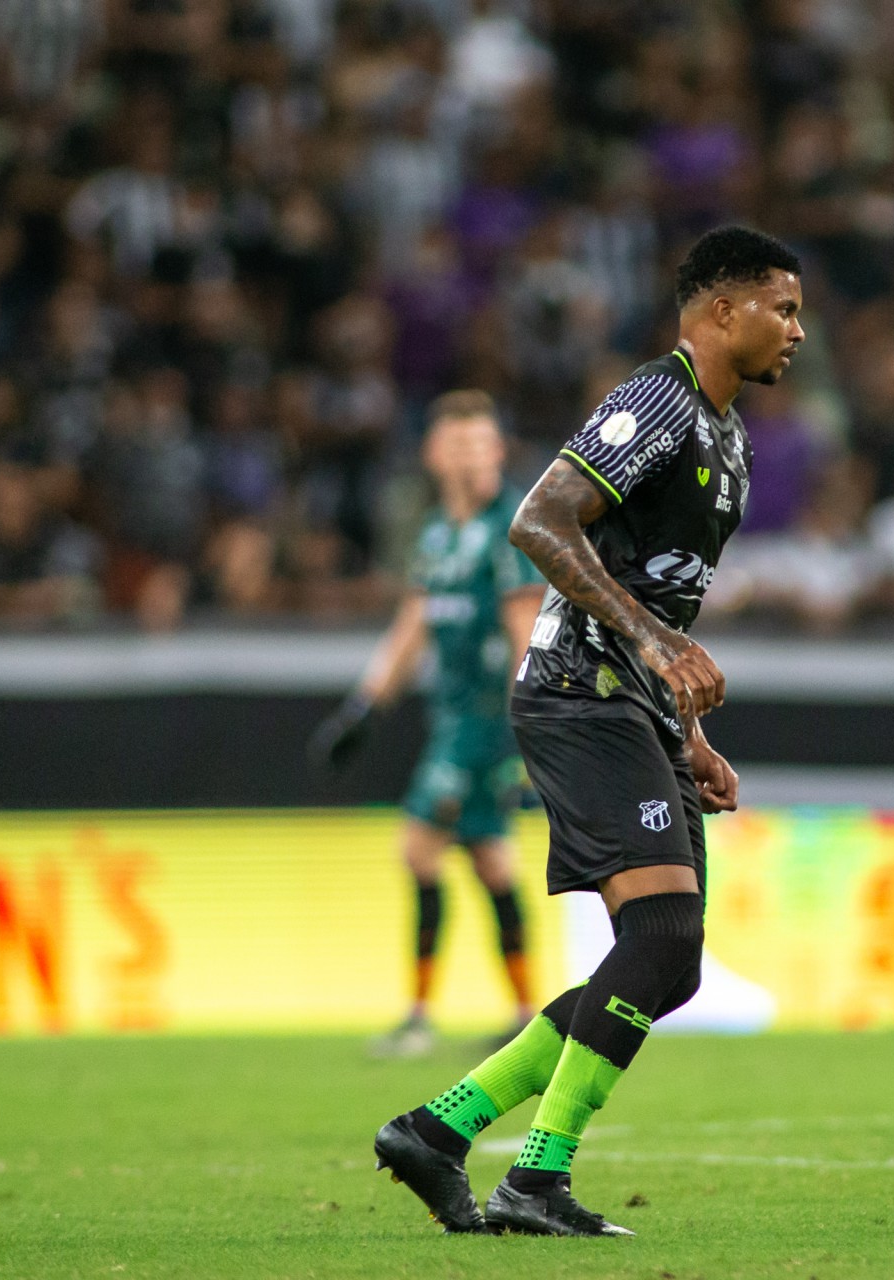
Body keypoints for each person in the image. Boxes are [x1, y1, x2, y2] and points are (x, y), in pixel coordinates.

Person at [372, 225, 803, 1238]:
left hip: (628, 700)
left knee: (672, 957)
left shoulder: (729, 437)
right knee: (657, 938)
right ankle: (535, 1178)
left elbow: (657, 588)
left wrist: (684, 734)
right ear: (718, 310)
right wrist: (656, 647)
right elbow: (539, 520)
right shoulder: (657, 399)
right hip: (578, 686)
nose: (795, 330)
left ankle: (438, 1130)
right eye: (780, 308)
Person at [309, 391, 546, 1056]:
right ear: (434, 454)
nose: (472, 456)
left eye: (483, 442)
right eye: (459, 444)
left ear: (499, 450)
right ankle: (528, 1014)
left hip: (484, 724)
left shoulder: (511, 528)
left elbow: (525, 633)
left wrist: (532, 730)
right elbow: (411, 628)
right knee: (490, 860)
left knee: (419, 849)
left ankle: (419, 1017)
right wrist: (361, 708)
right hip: (450, 717)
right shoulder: (438, 535)